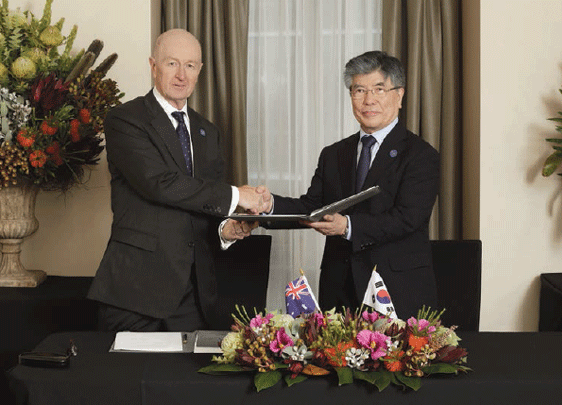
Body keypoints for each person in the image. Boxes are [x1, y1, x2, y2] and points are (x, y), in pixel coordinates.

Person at [88, 29, 266, 332]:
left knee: (188, 378)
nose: (182, 75)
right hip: (135, 292)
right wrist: (238, 195)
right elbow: (160, 183)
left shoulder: (208, 131)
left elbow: (206, 201)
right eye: (172, 64)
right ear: (153, 65)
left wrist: (227, 227)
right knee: (129, 379)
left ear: (199, 71)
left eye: (191, 65)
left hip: (193, 294)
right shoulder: (125, 120)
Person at [260, 51, 440, 320]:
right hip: (339, 289)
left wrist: (348, 227)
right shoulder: (334, 154)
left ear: (399, 95)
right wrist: (266, 205)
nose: (369, 100)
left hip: (396, 289)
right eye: (359, 90)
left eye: (379, 89)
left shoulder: (420, 155)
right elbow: (312, 207)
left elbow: (408, 218)